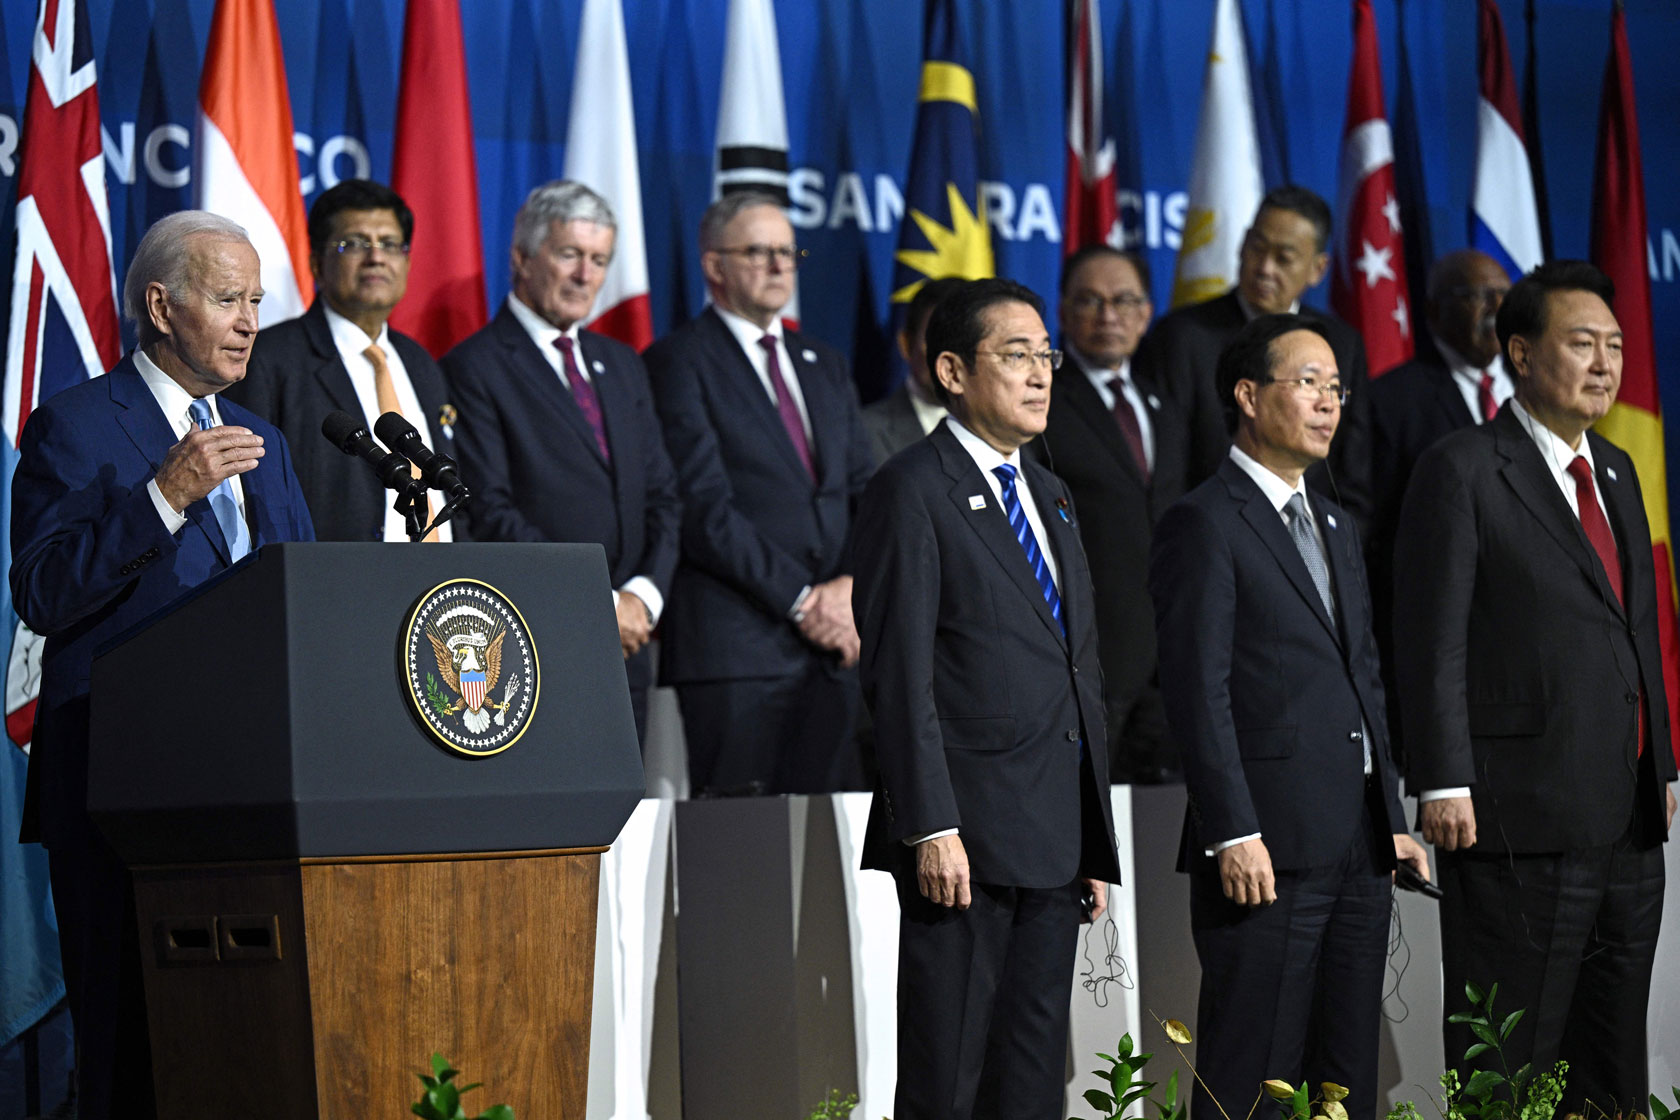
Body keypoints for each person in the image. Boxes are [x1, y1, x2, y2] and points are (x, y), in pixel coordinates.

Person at [9, 211, 315, 1120]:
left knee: (234, 1043)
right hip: (117, 781)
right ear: (160, 305)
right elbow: (44, 594)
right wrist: (163, 496)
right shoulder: (72, 425)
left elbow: (293, 603)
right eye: (228, 299)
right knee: (125, 1050)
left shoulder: (268, 442)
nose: (250, 320)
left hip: (247, 788)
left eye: (256, 301)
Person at [1393, 260, 1678, 1114]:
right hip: (1517, 814)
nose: (1605, 364)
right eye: (1582, 344)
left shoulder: (1620, 469)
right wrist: (1442, 776)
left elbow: (1639, 631)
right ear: (1520, 353)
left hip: (1626, 819)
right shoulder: (1465, 467)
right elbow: (1430, 633)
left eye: (1616, 346)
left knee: (1612, 1054)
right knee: (1511, 1057)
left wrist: (1660, 763)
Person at [854, 278, 1121, 1120]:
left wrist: (1091, 832)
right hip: (962, 843)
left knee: (1033, 1080)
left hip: (1052, 839)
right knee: (948, 1079)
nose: (1041, 373)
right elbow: (899, 676)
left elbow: (1078, 669)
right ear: (952, 371)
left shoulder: (1051, 493)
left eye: (1047, 355)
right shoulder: (912, 488)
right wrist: (930, 826)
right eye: (1016, 355)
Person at [1149, 313, 1426, 1120]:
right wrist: (1232, 830)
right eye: (1308, 383)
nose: (1329, 403)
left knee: (1345, 1073)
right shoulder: (1204, 521)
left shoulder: (1336, 523)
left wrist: (1392, 816)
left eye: (1337, 388)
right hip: (1266, 845)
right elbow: (1197, 691)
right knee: (1253, 1073)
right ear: (1247, 394)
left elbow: (1362, 678)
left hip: (1357, 847)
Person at [644, 191, 873, 795]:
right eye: (758, 252)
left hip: (838, 649)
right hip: (737, 653)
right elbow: (701, 506)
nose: (779, 266)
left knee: (832, 852)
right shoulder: (678, 362)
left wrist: (850, 591)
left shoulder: (823, 363)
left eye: (787, 251)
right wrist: (804, 602)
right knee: (742, 853)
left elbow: (864, 492)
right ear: (714, 265)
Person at [442, 181, 679, 743]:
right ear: (521, 258)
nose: (585, 275)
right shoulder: (473, 368)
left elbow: (664, 497)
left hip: (629, 640)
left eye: (599, 260)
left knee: (628, 819)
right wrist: (595, 601)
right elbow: (489, 510)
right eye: (570, 254)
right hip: (536, 635)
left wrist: (642, 597)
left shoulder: (622, 364)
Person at [226, 179, 457, 542]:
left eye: (390, 244)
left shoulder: (420, 363)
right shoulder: (269, 360)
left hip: (440, 587)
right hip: (333, 584)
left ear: (408, 262)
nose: (376, 256)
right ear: (317, 262)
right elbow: (252, 499)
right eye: (355, 244)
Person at [1037, 245, 1188, 783]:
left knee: (1157, 828)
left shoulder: (1161, 405)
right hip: (1087, 652)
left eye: (1124, 301)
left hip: (1167, 658)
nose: (1108, 316)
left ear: (1147, 313)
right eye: (1090, 301)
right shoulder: (1043, 403)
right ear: (1062, 311)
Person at [1137, 186, 1373, 527]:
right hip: (1210, 543)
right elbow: (1168, 474)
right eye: (1256, 247)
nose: (1264, 268)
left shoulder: (1340, 344)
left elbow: (1353, 478)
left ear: (1317, 269)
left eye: (1284, 258)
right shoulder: (1182, 337)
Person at [1365, 249, 1511, 761]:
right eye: (1475, 295)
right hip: (1431, 641)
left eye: (1503, 295)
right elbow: (1376, 529)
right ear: (1432, 313)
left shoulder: (1538, 398)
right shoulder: (1391, 400)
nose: (1495, 307)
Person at [862, 276, 963, 466]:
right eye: (936, 342)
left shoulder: (1008, 432)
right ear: (906, 345)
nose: (949, 360)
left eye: (961, 342)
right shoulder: (863, 432)